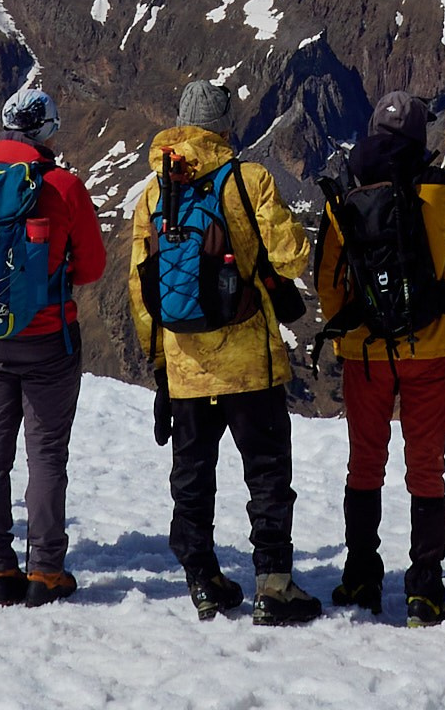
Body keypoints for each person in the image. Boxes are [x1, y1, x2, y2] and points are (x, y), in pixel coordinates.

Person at [129, 80, 320, 625]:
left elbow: (141, 290)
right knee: (265, 473)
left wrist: (160, 364)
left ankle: (203, 579)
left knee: (192, 473)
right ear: (225, 126)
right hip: (249, 365)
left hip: (185, 367)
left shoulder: (154, 192)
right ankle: (274, 585)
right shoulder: (248, 179)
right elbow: (292, 258)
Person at [315, 90, 445, 625]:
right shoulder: (435, 186)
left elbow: (327, 278)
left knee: (365, 464)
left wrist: (354, 327)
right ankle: (425, 589)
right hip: (429, 348)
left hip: (364, 353)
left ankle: (362, 576)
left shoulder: (343, 191)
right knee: (426, 469)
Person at [0, 88, 108, 607]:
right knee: (46, 454)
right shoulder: (65, 186)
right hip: (48, 337)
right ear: (46, 130)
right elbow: (92, 268)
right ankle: (45, 571)